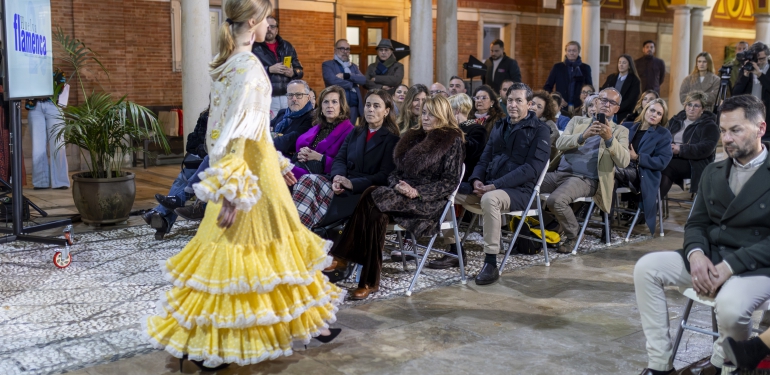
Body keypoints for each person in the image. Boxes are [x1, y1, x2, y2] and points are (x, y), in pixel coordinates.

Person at [145, 1, 344, 369]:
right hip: (249, 176)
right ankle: (219, 343)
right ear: (253, 21)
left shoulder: (228, 63)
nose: (270, 24)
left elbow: (236, 132)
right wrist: (234, 189)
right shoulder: (249, 67)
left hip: (251, 169)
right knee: (250, 252)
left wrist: (278, 163)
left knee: (268, 247)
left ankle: (306, 321)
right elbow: (235, 133)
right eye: (266, 18)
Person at [634, 94, 770, 375]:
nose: (726, 139)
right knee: (646, 267)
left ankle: (724, 365)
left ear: (761, 128)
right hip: (713, 255)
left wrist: (729, 267)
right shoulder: (713, 171)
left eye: (736, 130)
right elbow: (696, 223)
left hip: (756, 265)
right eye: (723, 130)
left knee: (731, 306)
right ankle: (660, 365)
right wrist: (696, 254)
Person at [328, 95, 465, 299]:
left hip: (427, 202)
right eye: (424, 113)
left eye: (432, 114)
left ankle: (343, 256)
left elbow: (450, 182)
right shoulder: (413, 136)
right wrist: (398, 186)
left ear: (443, 115)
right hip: (400, 196)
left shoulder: (452, 141)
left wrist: (417, 192)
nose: (425, 118)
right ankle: (368, 282)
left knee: (372, 193)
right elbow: (394, 173)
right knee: (376, 215)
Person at [436, 83, 550, 282]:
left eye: (518, 101)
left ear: (529, 104)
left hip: (521, 191)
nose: (512, 105)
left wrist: (495, 185)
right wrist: (476, 180)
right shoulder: (500, 125)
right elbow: (485, 158)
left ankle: (490, 263)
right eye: (510, 100)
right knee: (445, 191)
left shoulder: (540, 130)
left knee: (490, 199)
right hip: (490, 185)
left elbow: (532, 169)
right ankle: (454, 248)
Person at [292, 89, 399, 229]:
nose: (370, 109)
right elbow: (340, 159)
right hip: (342, 183)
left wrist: (351, 183)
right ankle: (297, 231)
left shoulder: (392, 140)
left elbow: (384, 176)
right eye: (368, 105)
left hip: (362, 191)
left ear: (386, 111)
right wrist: (337, 177)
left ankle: (298, 233)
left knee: (310, 192)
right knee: (306, 179)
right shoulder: (356, 132)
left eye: (376, 106)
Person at [541, 88, 630, 253]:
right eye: (603, 100)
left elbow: (624, 161)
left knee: (556, 201)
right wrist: (583, 136)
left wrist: (609, 138)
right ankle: (543, 227)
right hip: (560, 173)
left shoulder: (620, 131)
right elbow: (560, 143)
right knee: (526, 187)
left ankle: (574, 234)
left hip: (586, 179)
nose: (606, 105)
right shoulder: (577, 121)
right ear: (596, 102)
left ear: (617, 109)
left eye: (612, 103)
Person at [426, 93, 488, 270]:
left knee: (443, 196)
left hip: (469, 182)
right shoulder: (449, 131)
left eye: (447, 111)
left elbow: (471, 152)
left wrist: (451, 134)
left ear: (457, 110)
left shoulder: (477, 129)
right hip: (450, 179)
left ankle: (455, 250)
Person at [146, 109, 210, 239]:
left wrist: (206, 149)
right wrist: (203, 148)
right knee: (184, 177)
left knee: (191, 176)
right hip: (204, 159)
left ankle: (161, 215)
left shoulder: (228, 115)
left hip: (217, 161)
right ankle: (163, 217)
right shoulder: (205, 115)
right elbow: (192, 142)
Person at [614, 98, 673, 235]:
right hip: (620, 167)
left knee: (608, 171)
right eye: (652, 110)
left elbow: (662, 161)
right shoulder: (628, 126)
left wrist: (637, 157)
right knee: (609, 177)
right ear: (645, 110)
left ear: (662, 118)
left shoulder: (663, 134)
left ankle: (591, 211)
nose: (654, 115)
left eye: (659, 113)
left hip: (641, 172)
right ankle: (606, 219)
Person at [288, 85, 355, 180]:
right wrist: (300, 155)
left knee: (280, 169)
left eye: (334, 102)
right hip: (304, 167)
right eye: (326, 102)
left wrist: (320, 157)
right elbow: (301, 149)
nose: (330, 106)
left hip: (326, 175)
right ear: (321, 107)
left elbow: (347, 165)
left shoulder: (350, 132)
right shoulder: (317, 127)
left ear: (341, 106)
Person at [660, 91, 719, 198]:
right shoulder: (675, 120)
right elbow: (662, 137)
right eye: (689, 104)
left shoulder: (709, 125)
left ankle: (651, 203)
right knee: (649, 165)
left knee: (666, 166)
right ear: (685, 106)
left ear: (703, 109)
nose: (691, 108)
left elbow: (707, 148)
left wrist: (681, 149)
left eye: (696, 106)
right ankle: (642, 201)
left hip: (694, 163)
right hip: (670, 156)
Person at [251, 15, 304, 117]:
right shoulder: (254, 47)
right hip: (267, 97)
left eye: (272, 27)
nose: (269, 29)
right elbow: (250, 72)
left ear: (276, 30)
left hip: (288, 96)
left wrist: (293, 72)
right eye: (267, 27)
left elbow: (300, 71)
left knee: (289, 123)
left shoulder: (287, 46)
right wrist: (269, 69)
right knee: (271, 125)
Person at [27, 97, 69, 190]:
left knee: (58, 144)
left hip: (54, 104)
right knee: (38, 146)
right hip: (35, 106)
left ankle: (60, 181)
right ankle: (40, 182)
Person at [322, 39, 365, 125]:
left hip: (353, 107)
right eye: (342, 49)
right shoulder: (328, 65)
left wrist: (346, 76)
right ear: (335, 50)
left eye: (347, 49)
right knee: (337, 130)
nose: (345, 52)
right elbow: (332, 80)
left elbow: (363, 80)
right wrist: (351, 84)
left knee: (350, 130)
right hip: (337, 106)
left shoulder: (353, 66)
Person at [733, 42, 770, 139]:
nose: (759, 62)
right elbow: (736, 93)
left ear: (767, 56)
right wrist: (745, 76)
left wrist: (760, 75)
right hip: (749, 117)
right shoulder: (747, 68)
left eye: (762, 59)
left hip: (767, 118)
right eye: (756, 59)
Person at [544, 41, 593, 111]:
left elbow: (590, 88)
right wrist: (557, 99)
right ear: (566, 52)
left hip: (580, 106)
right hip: (561, 106)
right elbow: (547, 87)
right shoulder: (557, 67)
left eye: (574, 50)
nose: (571, 53)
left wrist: (584, 100)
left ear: (579, 51)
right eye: (569, 50)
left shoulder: (585, 68)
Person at [271, 80, 315, 156]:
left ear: (308, 98)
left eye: (298, 95)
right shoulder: (282, 113)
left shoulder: (312, 117)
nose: (294, 99)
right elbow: (264, 129)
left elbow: (291, 141)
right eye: (290, 95)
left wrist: (267, 140)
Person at [601, 54, 641, 123]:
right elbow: (603, 91)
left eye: (624, 63)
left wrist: (615, 108)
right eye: (619, 62)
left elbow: (631, 100)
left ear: (629, 66)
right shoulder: (611, 77)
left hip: (624, 114)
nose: (621, 65)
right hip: (608, 111)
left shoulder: (634, 80)